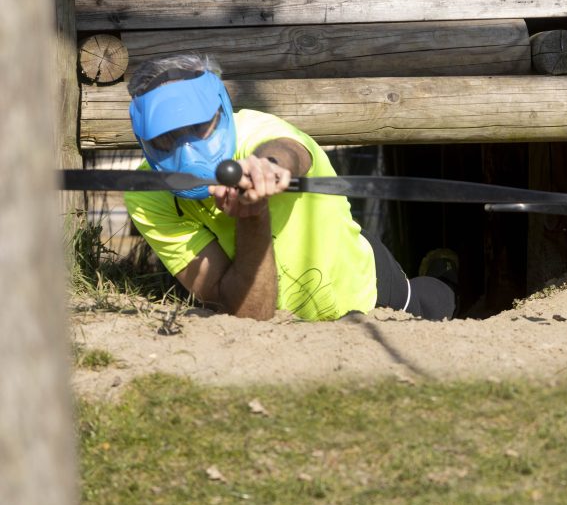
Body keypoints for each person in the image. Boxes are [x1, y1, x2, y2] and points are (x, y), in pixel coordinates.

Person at [122, 53, 456, 322]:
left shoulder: (257, 130)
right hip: (282, 321)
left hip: (370, 293)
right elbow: (248, 314)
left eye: (199, 129)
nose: (187, 152)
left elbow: (289, 150)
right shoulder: (148, 194)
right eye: (165, 140)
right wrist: (252, 218)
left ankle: (445, 274)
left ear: (222, 111)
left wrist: (267, 168)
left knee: (439, 301)